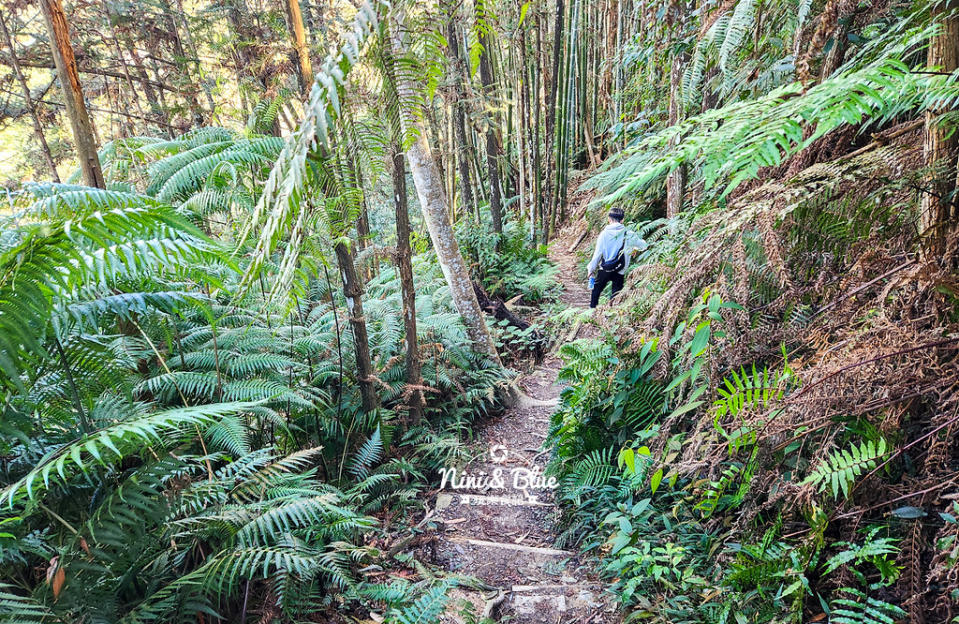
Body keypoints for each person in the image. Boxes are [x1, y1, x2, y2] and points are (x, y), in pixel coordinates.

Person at [586, 207, 647, 309]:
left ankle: (592, 312)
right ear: (622, 220)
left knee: (596, 290)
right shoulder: (628, 233)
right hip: (620, 269)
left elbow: (597, 254)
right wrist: (634, 248)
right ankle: (612, 313)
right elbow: (644, 245)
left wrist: (591, 269)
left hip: (605, 269)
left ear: (609, 219)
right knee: (616, 294)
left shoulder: (603, 234)